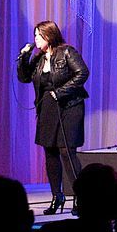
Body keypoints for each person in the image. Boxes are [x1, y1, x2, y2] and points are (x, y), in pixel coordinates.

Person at [17, 19, 89, 214]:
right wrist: (23, 57)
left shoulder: (67, 52)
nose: (35, 40)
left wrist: (61, 92)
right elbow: (24, 77)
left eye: (38, 36)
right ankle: (57, 196)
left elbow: (82, 73)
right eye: (35, 36)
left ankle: (80, 197)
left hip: (70, 106)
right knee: (50, 152)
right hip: (47, 106)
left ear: (49, 36)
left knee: (67, 151)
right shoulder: (39, 58)